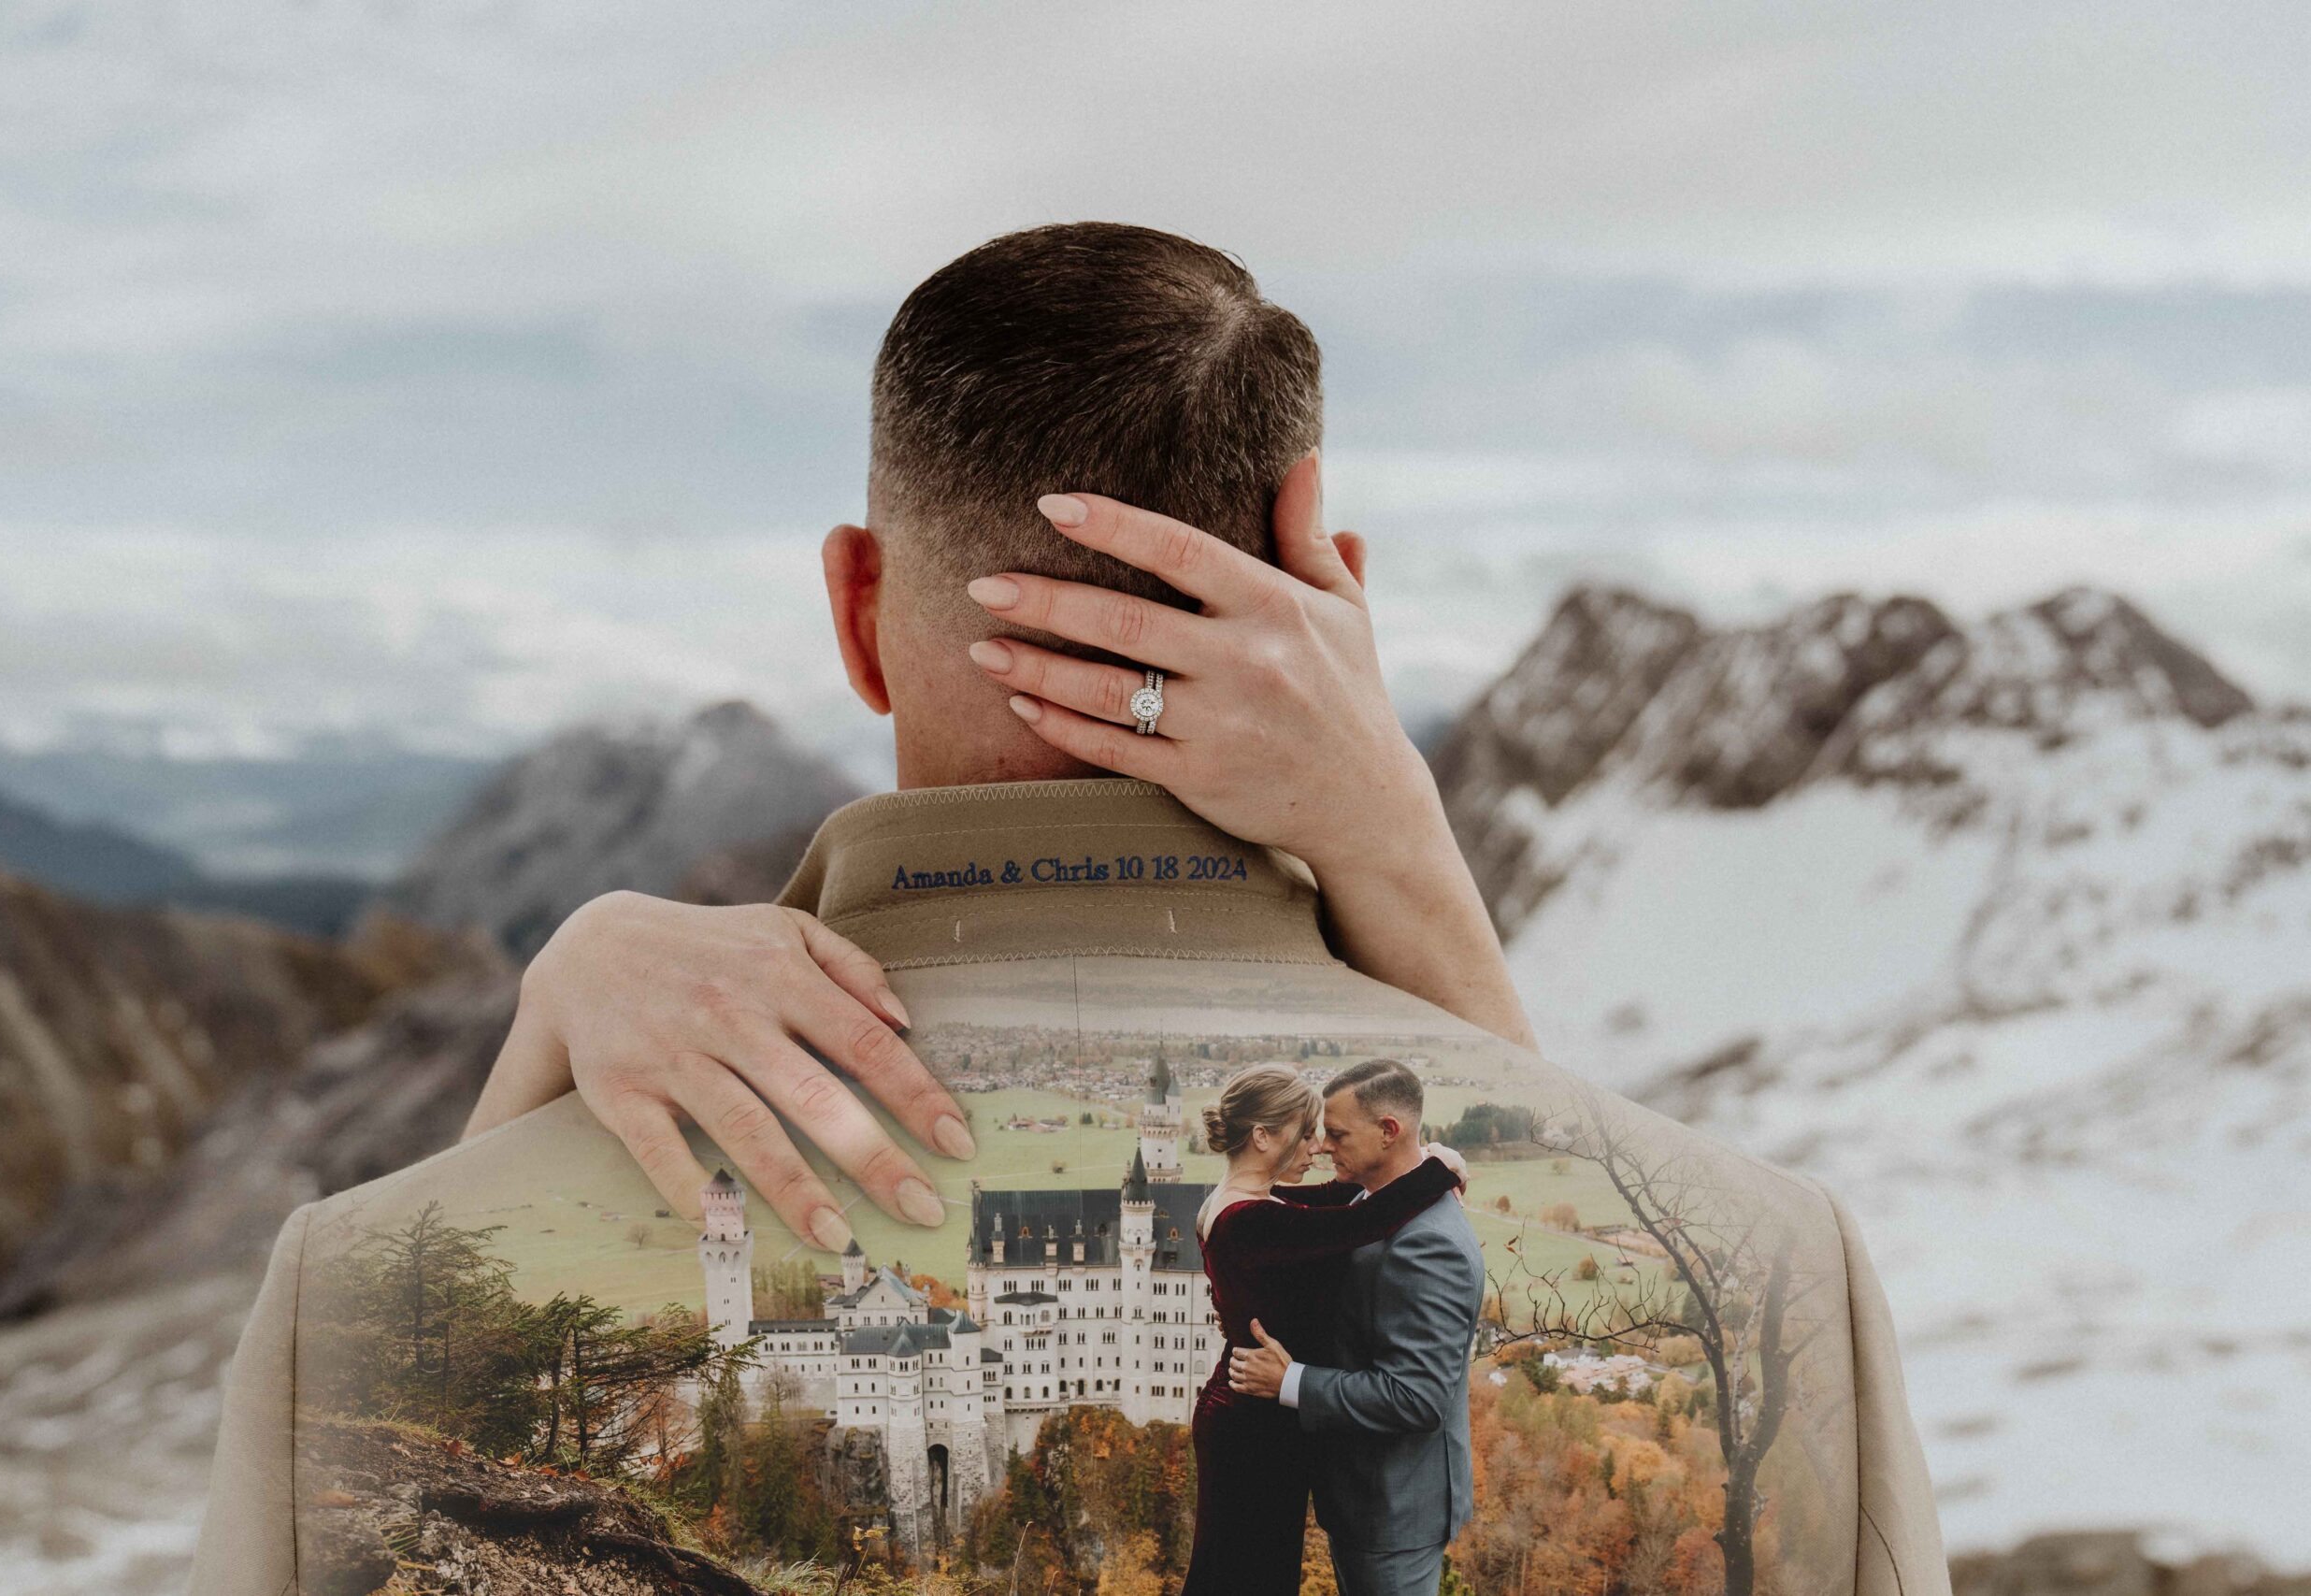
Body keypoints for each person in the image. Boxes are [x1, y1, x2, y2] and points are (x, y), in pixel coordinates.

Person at [186, 221, 1948, 1596]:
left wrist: (529, 1091)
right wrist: (1400, 846)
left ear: (859, 606)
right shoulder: (1772, 1262)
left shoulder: (347, 1286)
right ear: (1331, 594)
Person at [1182, 1061, 1468, 1596]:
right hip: (1253, 1427)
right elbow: (1358, 1223)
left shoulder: (1247, 1202)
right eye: (1306, 1132)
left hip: (1253, 1413)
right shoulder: (1250, 1222)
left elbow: (1338, 1200)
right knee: (1245, 1578)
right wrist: (1440, 1170)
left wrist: (1426, 1157)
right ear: (1263, 1136)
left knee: (1239, 1573)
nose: (1317, 1148)